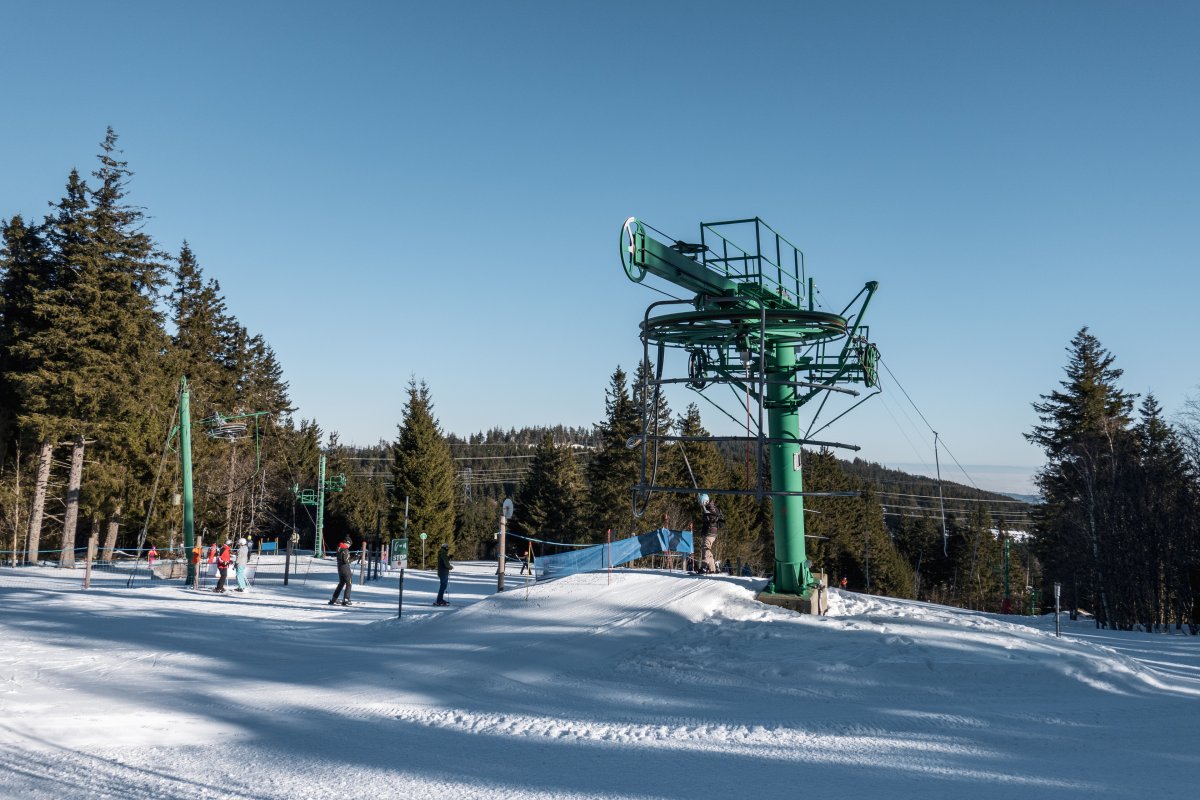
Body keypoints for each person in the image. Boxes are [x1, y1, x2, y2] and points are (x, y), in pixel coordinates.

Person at [698, 494, 722, 574]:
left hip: (710, 531)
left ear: (705, 501)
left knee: (705, 548)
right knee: (707, 550)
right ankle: (713, 568)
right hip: (710, 531)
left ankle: (704, 567)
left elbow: (713, 519)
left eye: (701, 502)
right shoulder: (709, 508)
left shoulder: (711, 508)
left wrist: (708, 515)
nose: (700, 505)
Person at [330, 535, 353, 605]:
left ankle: (334, 598)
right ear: (346, 543)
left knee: (341, 583)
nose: (349, 546)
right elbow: (346, 561)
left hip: (340, 567)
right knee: (349, 583)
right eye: (349, 544)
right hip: (345, 568)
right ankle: (346, 599)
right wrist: (355, 558)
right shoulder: (345, 550)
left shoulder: (339, 548)